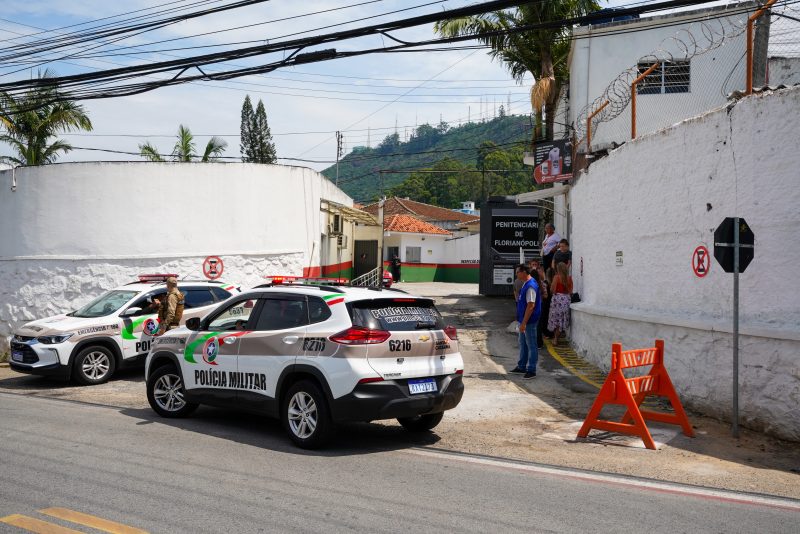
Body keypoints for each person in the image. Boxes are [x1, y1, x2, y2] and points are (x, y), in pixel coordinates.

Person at [509, 264, 541, 380]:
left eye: (517, 272)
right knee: (523, 343)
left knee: (531, 345)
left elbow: (531, 306)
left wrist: (524, 323)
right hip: (524, 320)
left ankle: (531, 370)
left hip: (529, 321)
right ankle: (522, 366)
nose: (516, 274)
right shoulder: (526, 284)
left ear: (523, 272)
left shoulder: (530, 286)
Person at [547, 262, 573, 346]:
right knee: (561, 320)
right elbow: (570, 291)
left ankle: (555, 339)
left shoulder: (556, 277)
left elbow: (552, 290)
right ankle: (557, 337)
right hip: (566, 300)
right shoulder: (569, 278)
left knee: (556, 320)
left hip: (557, 300)